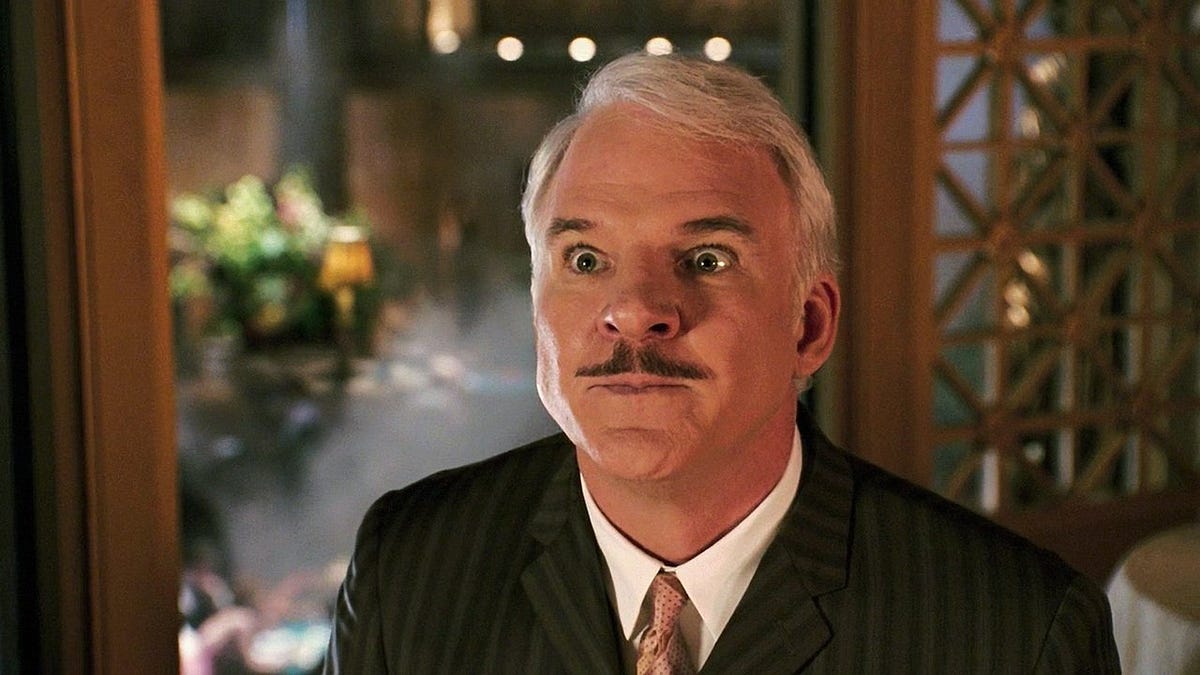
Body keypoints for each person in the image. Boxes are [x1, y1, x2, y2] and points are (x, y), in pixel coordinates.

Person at [324, 53, 1119, 673]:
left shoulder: (1015, 633)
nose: (635, 309)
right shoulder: (410, 568)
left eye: (706, 258)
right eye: (586, 258)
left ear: (810, 325)